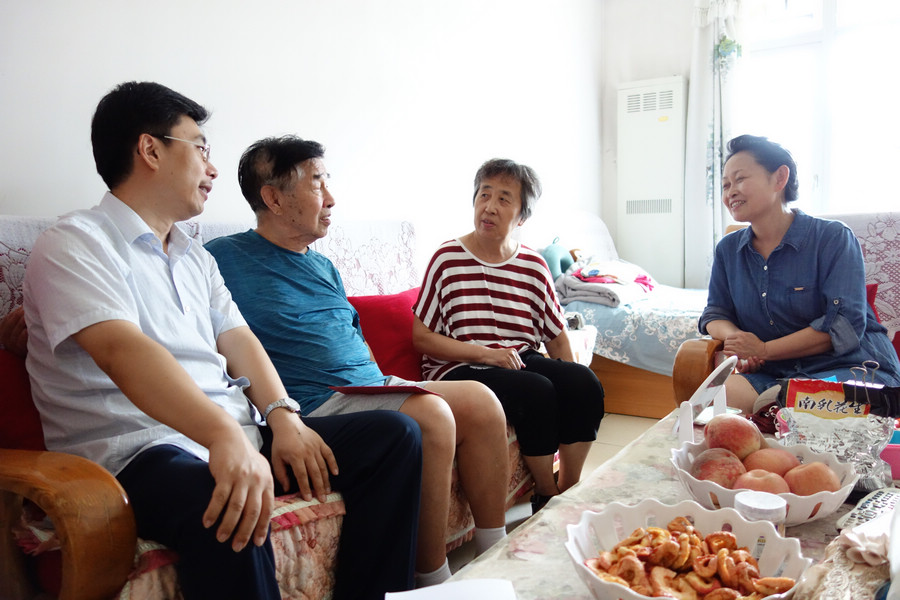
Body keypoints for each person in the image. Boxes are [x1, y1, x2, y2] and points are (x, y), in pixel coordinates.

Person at [22, 82, 422, 600]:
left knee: (394, 437)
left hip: (233, 436)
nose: (212, 169)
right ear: (150, 150)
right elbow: (124, 352)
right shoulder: (75, 243)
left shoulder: (195, 256)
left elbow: (239, 339)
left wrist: (284, 419)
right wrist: (222, 436)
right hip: (139, 455)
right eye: (200, 148)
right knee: (226, 492)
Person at [204, 136, 510, 587]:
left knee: (483, 402)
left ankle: (495, 552)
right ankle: (432, 578)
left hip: (368, 386)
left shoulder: (323, 266)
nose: (330, 199)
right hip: (313, 402)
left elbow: (354, 338)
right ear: (273, 198)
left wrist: (385, 381)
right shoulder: (221, 258)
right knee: (432, 415)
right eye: (317, 184)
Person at [411, 158, 606, 513]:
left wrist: (570, 380)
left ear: (521, 217)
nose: (489, 207)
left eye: (503, 199)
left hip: (516, 359)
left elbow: (556, 336)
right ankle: (546, 495)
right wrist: (485, 353)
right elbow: (421, 337)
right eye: (484, 195)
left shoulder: (533, 265)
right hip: (459, 367)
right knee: (536, 390)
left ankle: (568, 487)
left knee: (584, 383)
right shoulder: (447, 258)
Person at [700, 134, 900, 413]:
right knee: (717, 400)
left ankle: (783, 404)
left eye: (740, 179)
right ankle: (782, 404)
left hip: (850, 369)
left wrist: (763, 350)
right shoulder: (728, 250)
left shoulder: (833, 238)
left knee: (814, 406)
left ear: (780, 178)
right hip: (775, 375)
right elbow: (715, 313)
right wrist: (739, 342)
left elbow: (843, 325)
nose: (730, 192)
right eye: (725, 185)